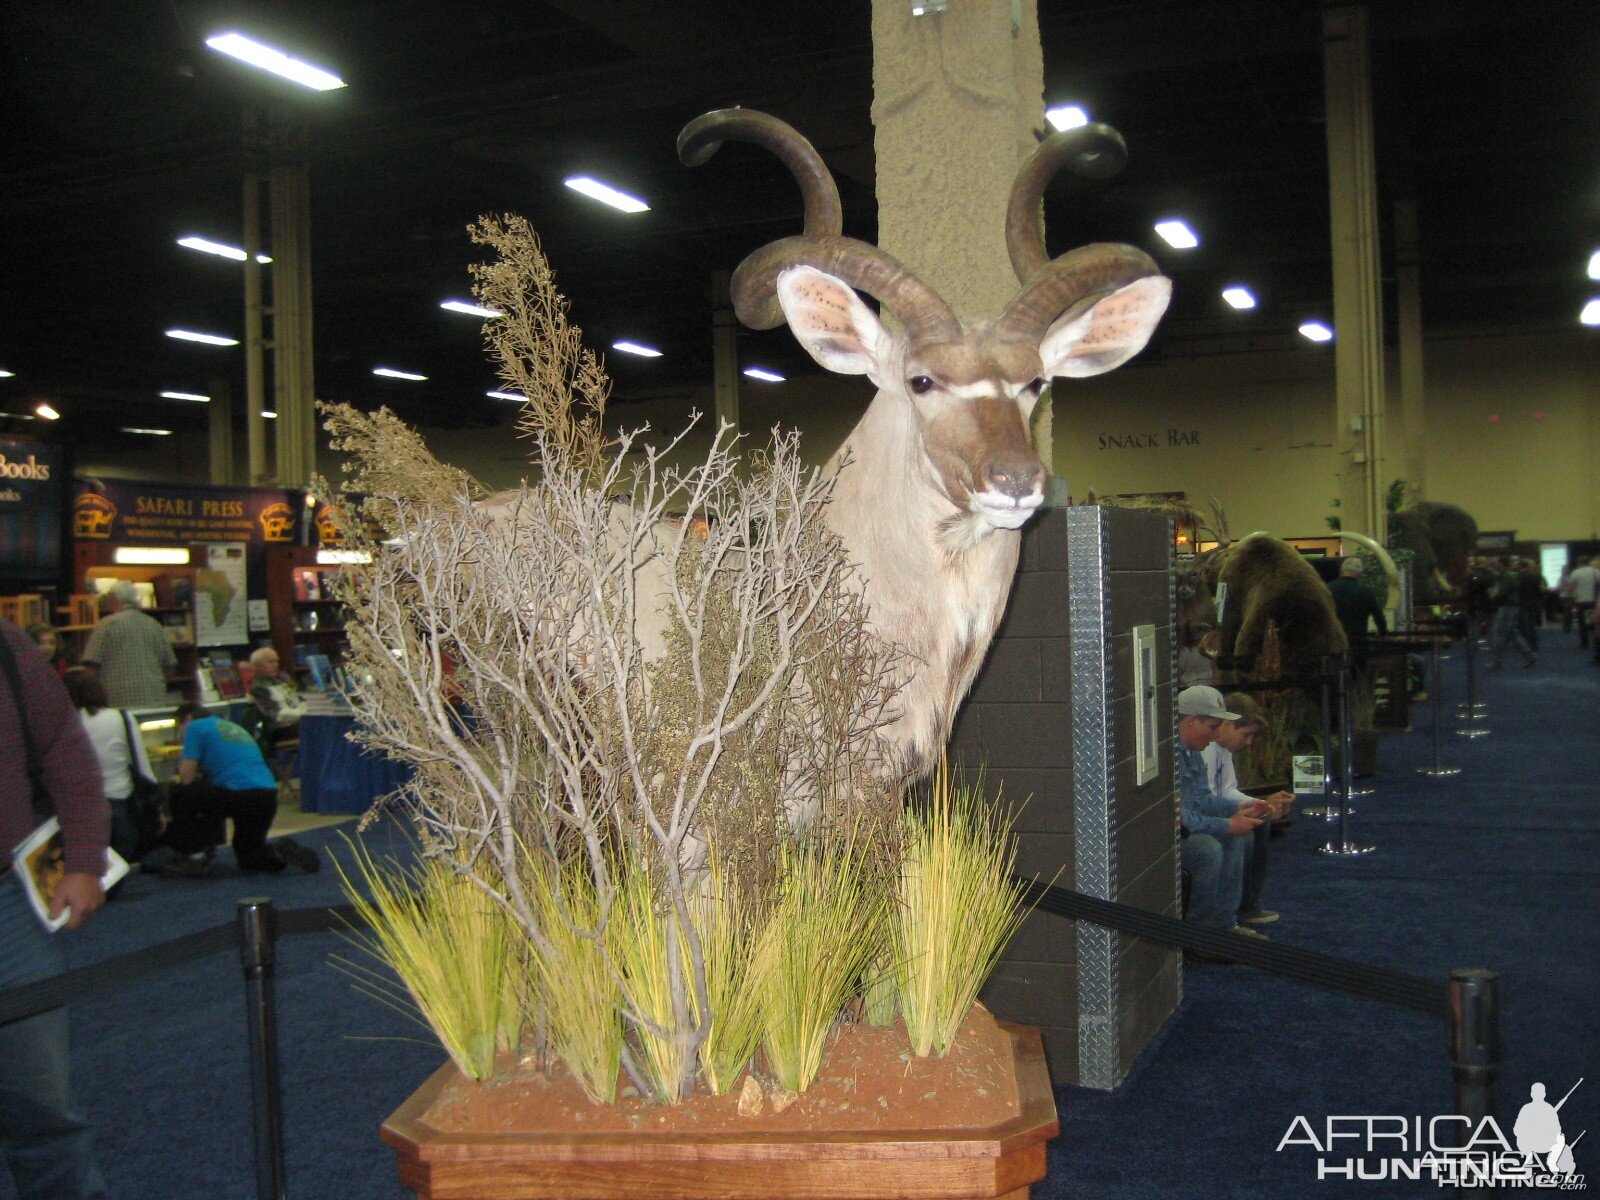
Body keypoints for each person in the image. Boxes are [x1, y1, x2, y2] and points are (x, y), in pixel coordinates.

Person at [0, 620, 111, 1200]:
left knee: (44, 1114)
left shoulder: (6, 644)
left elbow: (65, 747)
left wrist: (84, 860)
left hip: (10, 913)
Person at [157, 702, 319, 877]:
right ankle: (280, 853)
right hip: (266, 795)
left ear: (187, 719)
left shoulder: (194, 727)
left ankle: (194, 856)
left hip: (240, 794)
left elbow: (186, 778)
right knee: (250, 857)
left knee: (179, 792)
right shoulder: (230, 726)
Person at [1175, 685, 1263, 943]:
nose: (1215, 736)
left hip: (1185, 827)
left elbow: (1202, 799)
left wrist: (1240, 808)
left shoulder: (1192, 751)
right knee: (1208, 849)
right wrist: (1227, 824)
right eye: (1213, 727)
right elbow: (1181, 818)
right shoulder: (1170, 754)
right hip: (1168, 836)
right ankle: (1199, 937)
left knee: (1237, 836)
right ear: (1193, 721)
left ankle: (1224, 926)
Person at [1204, 692, 1293, 929]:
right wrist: (1257, 806)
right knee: (1245, 833)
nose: (1249, 742)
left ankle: (1247, 906)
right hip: (1200, 817)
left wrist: (1262, 804)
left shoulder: (1221, 749)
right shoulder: (1205, 748)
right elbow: (1208, 801)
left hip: (1212, 811)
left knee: (1259, 821)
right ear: (1228, 725)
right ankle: (1230, 915)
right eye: (1247, 734)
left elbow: (1228, 791)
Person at [62, 668, 159, 864]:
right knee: (118, 862)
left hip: (80, 806)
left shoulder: (63, 723)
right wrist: (156, 807)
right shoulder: (121, 717)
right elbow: (141, 764)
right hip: (121, 803)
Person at [81, 580, 176, 708]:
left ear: (113, 599)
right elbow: (170, 665)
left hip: (116, 699)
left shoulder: (105, 625)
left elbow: (90, 667)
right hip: (154, 697)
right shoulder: (154, 624)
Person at [1326, 556, 1388, 674]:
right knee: (1357, 678)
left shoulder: (1328, 589)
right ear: (1360, 573)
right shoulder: (1365, 591)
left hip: (1334, 643)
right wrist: (1382, 633)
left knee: (1334, 678)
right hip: (1358, 645)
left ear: (1342, 570)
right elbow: (1379, 616)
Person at [1487, 558, 1535, 668]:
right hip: (1510, 607)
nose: (1495, 565)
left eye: (1497, 563)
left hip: (1507, 607)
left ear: (1502, 564)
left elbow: (1503, 592)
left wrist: (1493, 595)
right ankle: (1530, 656)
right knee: (1513, 634)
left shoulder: (1507, 576)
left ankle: (1496, 661)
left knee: (1498, 634)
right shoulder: (1506, 575)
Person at [248, 645, 306, 736]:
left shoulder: (281, 681)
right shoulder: (259, 689)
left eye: (277, 661)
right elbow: (276, 716)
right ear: (257, 666)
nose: (276, 665)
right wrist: (304, 715)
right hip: (282, 728)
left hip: (297, 719)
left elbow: (296, 701)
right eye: (270, 662)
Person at [1563, 556, 1600, 650]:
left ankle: (1585, 643)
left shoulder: (1576, 572)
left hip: (1580, 601)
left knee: (1582, 623)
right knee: (1593, 623)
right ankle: (1595, 643)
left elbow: (1571, 587)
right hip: (1593, 601)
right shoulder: (1595, 571)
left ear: (1579, 563)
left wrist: (1569, 595)